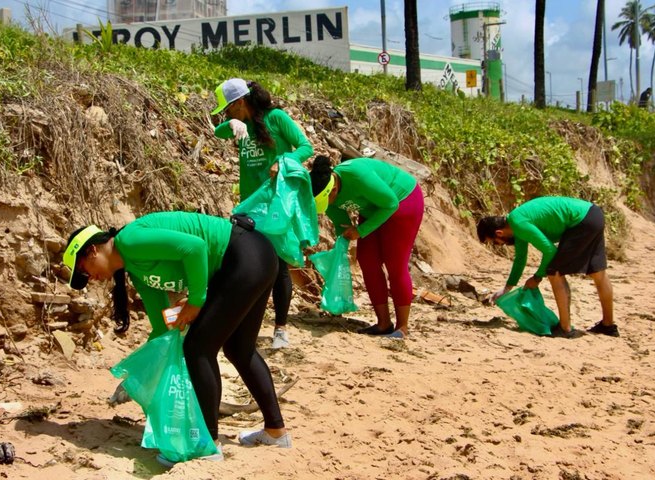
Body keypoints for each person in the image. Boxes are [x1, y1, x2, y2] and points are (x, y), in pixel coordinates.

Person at [62, 212, 293, 466]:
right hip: (253, 259)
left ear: (92, 251)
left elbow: (195, 248)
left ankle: (207, 444)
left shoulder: (129, 241)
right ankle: (275, 431)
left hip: (245, 255)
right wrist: (139, 375)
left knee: (198, 349)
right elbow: (162, 329)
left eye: (83, 270)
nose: (90, 279)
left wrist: (195, 302)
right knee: (239, 349)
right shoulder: (137, 272)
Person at [212, 78, 315, 349]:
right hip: (249, 204)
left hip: (275, 203)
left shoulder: (276, 118)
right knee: (251, 263)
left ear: (239, 102)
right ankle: (247, 326)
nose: (226, 113)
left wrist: (283, 161)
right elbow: (219, 132)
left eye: (228, 109)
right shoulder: (239, 124)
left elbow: (306, 147)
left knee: (278, 265)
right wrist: (231, 125)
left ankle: (280, 329)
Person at [309, 155, 424, 339]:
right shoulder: (324, 191)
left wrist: (360, 230)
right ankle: (383, 323)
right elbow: (341, 223)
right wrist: (342, 242)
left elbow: (390, 204)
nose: (328, 205)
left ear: (333, 189)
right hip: (372, 209)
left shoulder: (357, 175)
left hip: (402, 202)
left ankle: (402, 327)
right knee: (367, 260)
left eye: (327, 201)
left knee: (395, 264)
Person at [476, 196, 618, 338]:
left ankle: (565, 329)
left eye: (495, 242)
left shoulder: (519, 224)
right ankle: (608, 326)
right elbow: (520, 259)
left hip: (580, 221)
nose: (499, 245)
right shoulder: (515, 223)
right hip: (593, 214)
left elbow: (550, 251)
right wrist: (507, 288)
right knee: (598, 272)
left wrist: (537, 278)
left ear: (499, 233)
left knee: (554, 272)